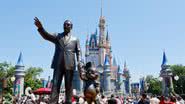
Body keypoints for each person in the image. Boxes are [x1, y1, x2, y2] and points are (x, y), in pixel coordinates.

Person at [34, 17, 83, 104]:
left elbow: (78, 52)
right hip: (58, 64)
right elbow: (47, 36)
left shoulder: (75, 39)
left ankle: (68, 102)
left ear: (71, 27)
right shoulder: (58, 36)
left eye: (68, 24)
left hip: (70, 64)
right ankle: (53, 102)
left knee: (69, 86)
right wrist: (40, 28)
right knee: (55, 85)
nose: (65, 26)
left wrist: (80, 62)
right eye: (64, 24)